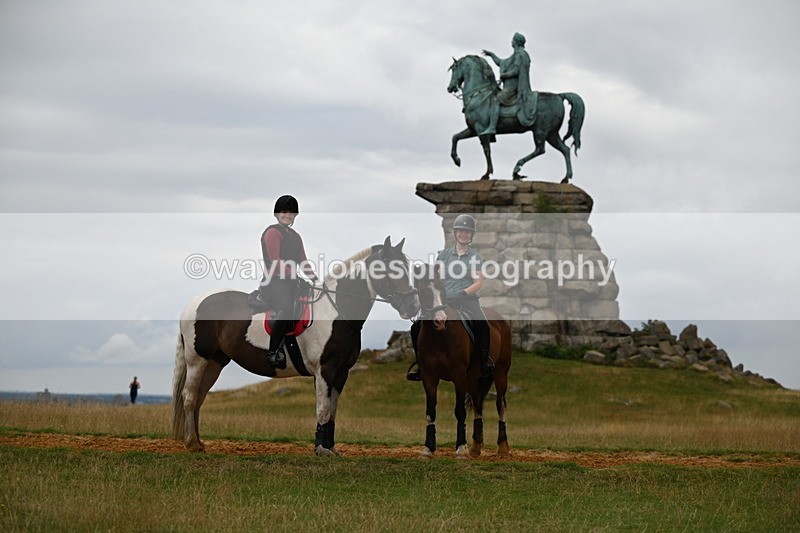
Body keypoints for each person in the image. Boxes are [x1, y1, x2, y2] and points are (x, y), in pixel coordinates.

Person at [407, 214, 494, 381]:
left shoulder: (475, 257)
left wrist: (463, 293)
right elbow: (437, 277)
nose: (463, 234)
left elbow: (479, 282)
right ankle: (421, 364)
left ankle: (484, 362)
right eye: (460, 231)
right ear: (455, 233)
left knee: (482, 324)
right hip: (443, 299)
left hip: (466, 299)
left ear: (471, 235)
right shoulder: (444, 255)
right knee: (416, 326)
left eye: (467, 232)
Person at [260, 195, 318, 369]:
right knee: (286, 308)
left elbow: (302, 261)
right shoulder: (272, 233)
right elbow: (275, 261)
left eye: (291, 213)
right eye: (284, 212)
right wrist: (293, 275)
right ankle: (273, 352)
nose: (288, 215)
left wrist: (315, 279)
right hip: (274, 282)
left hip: (293, 282)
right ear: (278, 214)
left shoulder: (295, 236)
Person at [480, 32, 536, 136]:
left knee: (495, 100)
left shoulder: (520, 54)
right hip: (509, 87)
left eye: (512, 40)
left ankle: (492, 127)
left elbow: (516, 70)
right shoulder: (516, 54)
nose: (511, 41)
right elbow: (501, 62)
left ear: (516, 42)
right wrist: (491, 55)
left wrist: (505, 75)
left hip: (513, 88)